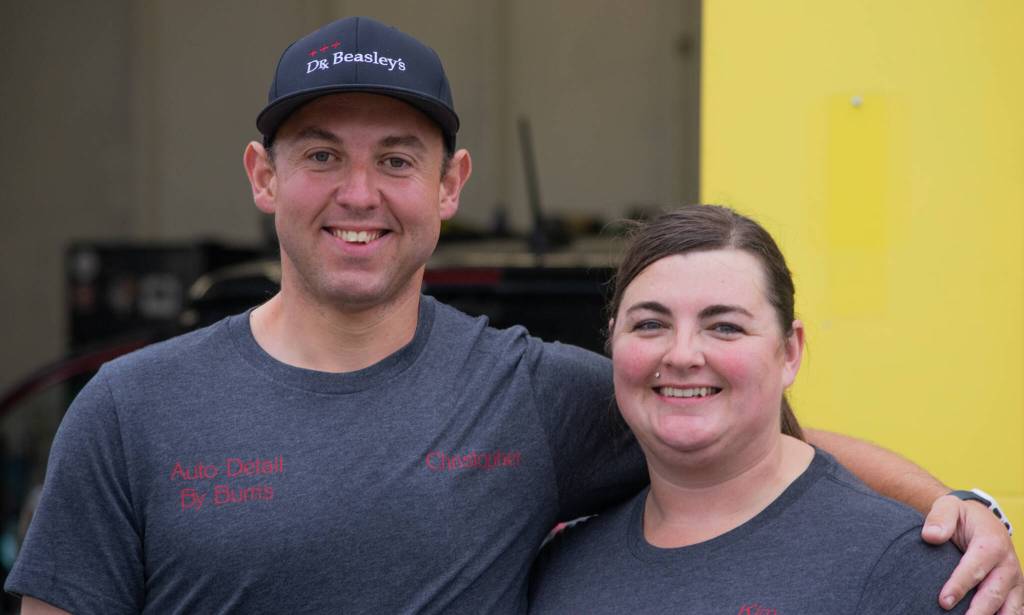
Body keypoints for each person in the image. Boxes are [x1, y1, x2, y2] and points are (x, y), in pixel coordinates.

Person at [5, 16, 1021, 615]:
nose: (359, 193)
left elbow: (760, 439)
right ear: (262, 176)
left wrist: (962, 511)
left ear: (449, 185)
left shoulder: (529, 393)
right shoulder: (133, 409)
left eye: (396, 159)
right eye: (321, 154)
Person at [526, 205, 995, 613]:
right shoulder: (562, 565)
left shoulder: (905, 566)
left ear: (790, 352)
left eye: (725, 327)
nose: (682, 354)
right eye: (650, 324)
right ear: (613, 341)